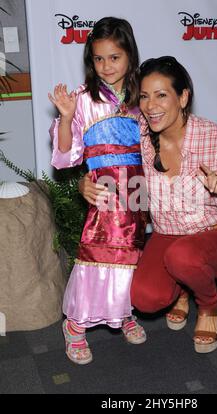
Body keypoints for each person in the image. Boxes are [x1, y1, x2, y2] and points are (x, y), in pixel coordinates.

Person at [79, 56, 217, 354]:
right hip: (168, 235)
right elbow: (103, 161)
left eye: (161, 95)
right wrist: (83, 184)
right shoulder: (137, 133)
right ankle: (183, 286)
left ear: (183, 97)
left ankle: (209, 305)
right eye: (144, 96)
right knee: (144, 298)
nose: (151, 106)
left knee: (182, 257)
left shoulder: (216, 140)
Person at [48, 17, 148, 365]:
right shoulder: (81, 100)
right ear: (90, 60)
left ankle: (124, 312)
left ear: (130, 57)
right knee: (97, 256)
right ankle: (75, 325)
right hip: (103, 190)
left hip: (138, 191)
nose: (106, 66)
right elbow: (64, 158)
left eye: (114, 57)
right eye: (98, 59)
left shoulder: (144, 97)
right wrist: (65, 117)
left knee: (132, 254)